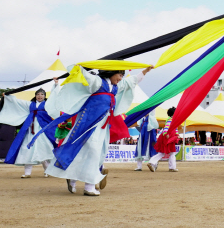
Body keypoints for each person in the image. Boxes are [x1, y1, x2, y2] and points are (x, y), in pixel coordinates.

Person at [33, 65, 154, 196]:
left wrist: (145, 72)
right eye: (119, 75)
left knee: (98, 153)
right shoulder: (97, 82)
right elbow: (84, 75)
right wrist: (80, 67)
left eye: (122, 76)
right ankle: (89, 186)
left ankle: (73, 179)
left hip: (102, 126)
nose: (120, 78)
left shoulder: (114, 87)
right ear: (111, 72)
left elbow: (131, 81)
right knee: (91, 151)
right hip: (87, 123)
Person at [0, 81, 60, 177]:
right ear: (35, 96)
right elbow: (17, 102)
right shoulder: (30, 105)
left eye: (42, 94)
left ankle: (47, 171)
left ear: (44, 96)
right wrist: (7, 96)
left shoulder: (48, 104)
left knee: (45, 150)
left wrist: (56, 84)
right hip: (31, 130)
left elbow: (55, 98)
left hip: (43, 131)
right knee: (27, 150)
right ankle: (27, 173)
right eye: (38, 94)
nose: (40, 96)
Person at [148, 107, 179, 172]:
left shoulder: (172, 120)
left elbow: (175, 129)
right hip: (167, 138)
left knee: (165, 153)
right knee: (170, 153)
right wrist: (166, 134)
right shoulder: (170, 120)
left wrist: (176, 134)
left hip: (168, 137)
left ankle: (152, 162)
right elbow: (166, 128)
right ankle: (172, 167)